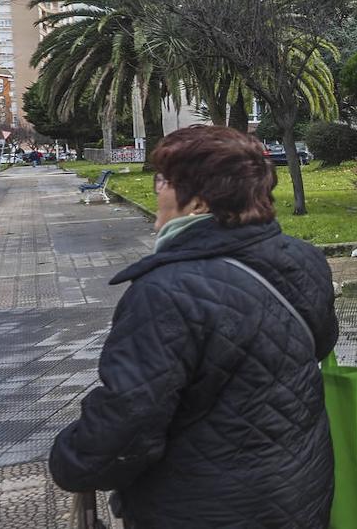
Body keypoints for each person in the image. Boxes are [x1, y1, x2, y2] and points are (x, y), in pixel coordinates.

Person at [50, 125, 339, 528]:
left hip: (204, 507)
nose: (157, 189)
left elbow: (128, 425)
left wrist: (70, 457)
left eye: (166, 180)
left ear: (202, 200)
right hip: (298, 490)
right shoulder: (304, 259)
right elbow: (318, 344)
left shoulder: (165, 293)